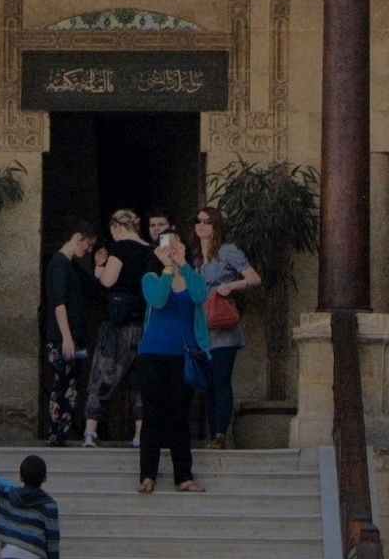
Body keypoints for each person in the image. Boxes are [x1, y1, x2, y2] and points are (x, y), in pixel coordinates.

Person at [134, 230, 209, 490]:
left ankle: (184, 477)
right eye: (166, 243)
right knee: (152, 415)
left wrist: (183, 266)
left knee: (180, 417)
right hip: (152, 355)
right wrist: (167, 269)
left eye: (176, 242)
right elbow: (157, 299)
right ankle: (147, 475)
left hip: (184, 356)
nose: (172, 247)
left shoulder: (192, 276)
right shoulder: (151, 276)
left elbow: (201, 296)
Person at [189, 201, 261, 446]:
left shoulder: (228, 251)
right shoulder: (197, 258)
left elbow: (253, 278)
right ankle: (212, 434)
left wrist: (231, 285)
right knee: (207, 384)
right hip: (203, 326)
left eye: (206, 222)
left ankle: (221, 433)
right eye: (198, 221)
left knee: (220, 380)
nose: (201, 226)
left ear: (216, 226)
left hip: (223, 325)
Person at [81, 232, 146, 443]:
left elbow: (102, 287)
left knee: (102, 378)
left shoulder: (118, 253)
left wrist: (99, 267)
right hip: (142, 326)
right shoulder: (150, 253)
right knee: (139, 383)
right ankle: (139, 435)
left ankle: (90, 431)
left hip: (117, 329)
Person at [41, 225, 95, 443]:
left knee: (70, 385)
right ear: (78, 237)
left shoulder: (71, 266)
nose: (88, 249)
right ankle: (56, 431)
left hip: (70, 337)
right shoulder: (59, 265)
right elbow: (59, 303)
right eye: (88, 244)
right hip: (61, 337)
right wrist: (66, 337)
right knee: (62, 384)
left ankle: (61, 430)